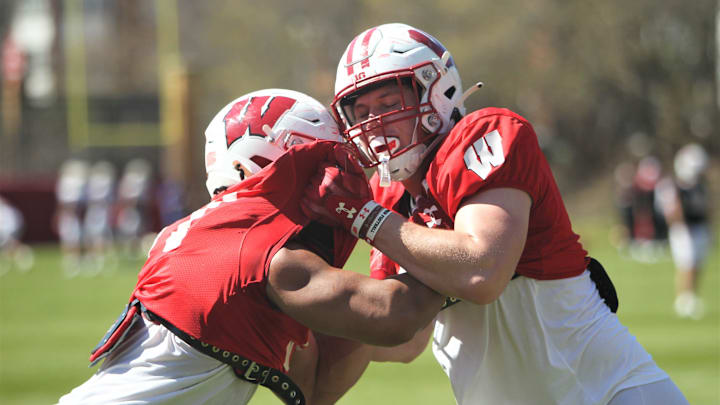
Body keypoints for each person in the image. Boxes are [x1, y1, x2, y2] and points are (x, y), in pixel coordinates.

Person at [302, 23, 689, 405]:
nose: (374, 125)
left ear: (438, 92)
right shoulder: (386, 197)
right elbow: (404, 335)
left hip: (607, 392)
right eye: (362, 111)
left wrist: (365, 218)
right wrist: (302, 321)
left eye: (390, 105)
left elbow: (482, 271)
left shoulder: (484, 134)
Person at [57, 89, 443, 405]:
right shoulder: (265, 258)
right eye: (317, 164)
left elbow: (318, 379)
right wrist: (444, 235)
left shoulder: (197, 234)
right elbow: (396, 315)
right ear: (250, 166)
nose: (332, 180)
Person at [656, 143, 711, 319]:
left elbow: (706, 208)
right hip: (684, 230)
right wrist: (680, 226)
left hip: (699, 227)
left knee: (697, 264)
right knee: (687, 264)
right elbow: (672, 211)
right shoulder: (672, 185)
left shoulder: (701, 185)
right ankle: (684, 299)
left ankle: (691, 296)